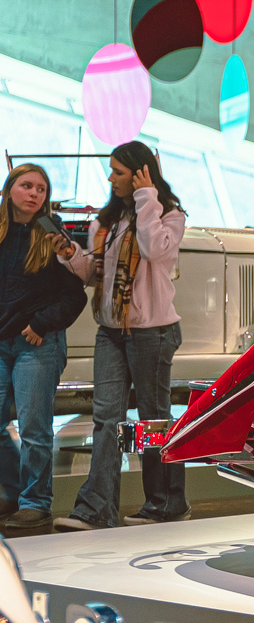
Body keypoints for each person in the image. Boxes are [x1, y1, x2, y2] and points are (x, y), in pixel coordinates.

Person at [54, 142, 189, 530]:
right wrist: (70, 254)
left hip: (153, 332)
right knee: (105, 419)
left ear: (140, 173)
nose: (110, 178)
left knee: (153, 418)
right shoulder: (108, 222)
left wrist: (147, 197)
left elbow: (153, 249)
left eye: (118, 171)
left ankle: (166, 503)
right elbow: (95, 275)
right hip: (111, 332)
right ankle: (96, 508)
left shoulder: (169, 216)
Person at [0, 163, 86, 529]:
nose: (34, 194)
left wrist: (42, 323)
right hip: (2, 342)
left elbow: (76, 296)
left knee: (34, 429)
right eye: (27, 186)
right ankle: (13, 492)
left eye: (41, 189)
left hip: (37, 343)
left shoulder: (53, 237)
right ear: (9, 189)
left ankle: (35, 503)